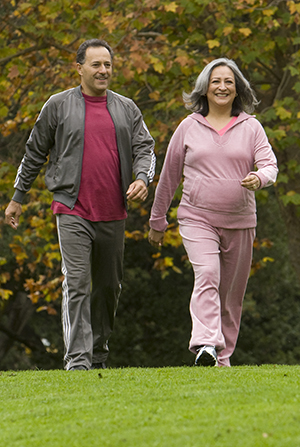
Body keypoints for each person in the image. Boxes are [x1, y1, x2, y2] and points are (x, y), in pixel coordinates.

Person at [5, 39, 156, 371]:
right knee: (75, 283)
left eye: (108, 65)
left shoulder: (126, 108)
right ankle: (78, 361)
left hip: (114, 210)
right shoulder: (58, 106)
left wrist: (142, 177)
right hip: (71, 207)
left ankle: (99, 349)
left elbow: (145, 146)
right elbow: (34, 152)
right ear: (79, 68)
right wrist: (18, 196)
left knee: (107, 286)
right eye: (96, 65)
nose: (103, 71)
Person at [148, 58, 278, 367]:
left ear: (237, 90)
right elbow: (169, 176)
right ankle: (205, 342)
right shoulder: (188, 126)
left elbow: (270, 165)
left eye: (229, 82)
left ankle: (223, 358)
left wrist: (259, 177)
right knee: (207, 274)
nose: (222, 87)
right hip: (197, 217)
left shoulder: (251, 127)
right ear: (204, 88)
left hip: (240, 220)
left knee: (231, 296)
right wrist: (157, 219)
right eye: (216, 81)